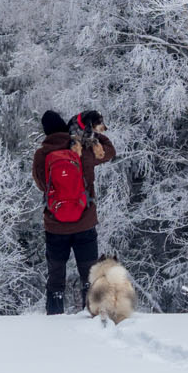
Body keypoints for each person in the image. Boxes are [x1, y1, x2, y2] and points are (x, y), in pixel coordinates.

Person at [32, 109, 115, 315]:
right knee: (89, 276)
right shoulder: (82, 149)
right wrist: (92, 133)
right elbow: (109, 151)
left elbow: (42, 185)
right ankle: (94, 317)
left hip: (55, 226)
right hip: (84, 222)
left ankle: (54, 321)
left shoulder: (42, 154)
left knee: (56, 279)